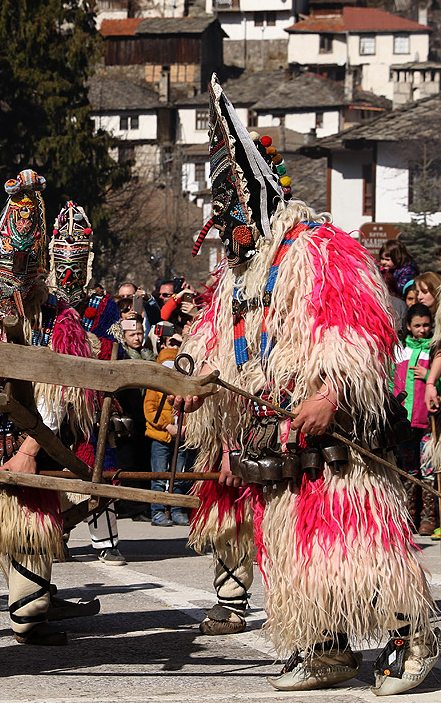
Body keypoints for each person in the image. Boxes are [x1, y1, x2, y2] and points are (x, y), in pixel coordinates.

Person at [178, 75, 438, 694]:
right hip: (272, 446)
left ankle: (414, 632)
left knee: (357, 546)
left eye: (234, 198)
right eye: (220, 205)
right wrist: (203, 401)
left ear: (260, 192)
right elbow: (217, 353)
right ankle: (325, 649)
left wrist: (330, 390)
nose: (227, 217)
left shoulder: (318, 248)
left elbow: (357, 325)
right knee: (294, 560)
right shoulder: (236, 279)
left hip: (336, 442)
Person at [0, 170, 97, 649]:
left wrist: (32, 448)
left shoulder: (58, 317)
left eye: (20, 266)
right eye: (4, 265)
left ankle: (30, 609)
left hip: (24, 438)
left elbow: (59, 394)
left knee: (29, 561)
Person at [48, 200, 126, 565]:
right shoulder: (42, 299)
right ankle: (52, 533)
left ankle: (105, 542)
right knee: (47, 464)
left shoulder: (102, 303)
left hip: (90, 400)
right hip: (47, 395)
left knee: (98, 467)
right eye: (62, 262)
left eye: (75, 264)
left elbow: (116, 351)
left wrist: (89, 344)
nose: (68, 272)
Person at [393, 303, 437, 535]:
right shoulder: (401, 351)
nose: (422, 329)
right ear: (408, 326)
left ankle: (428, 516)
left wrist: (429, 375)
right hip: (405, 421)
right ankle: (409, 515)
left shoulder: (433, 351)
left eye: (426, 325)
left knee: (427, 468)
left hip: (427, 419)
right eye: (417, 325)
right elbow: (393, 382)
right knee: (408, 469)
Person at [144, 339, 192, 527]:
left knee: (179, 473)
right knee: (159, 474)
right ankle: (157, 511)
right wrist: (166, 426)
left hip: (181, 437)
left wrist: (186, 428)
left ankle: (177, 509)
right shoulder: (154, 388)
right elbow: (149, 411)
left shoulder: (183, 388)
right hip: (161, 437)